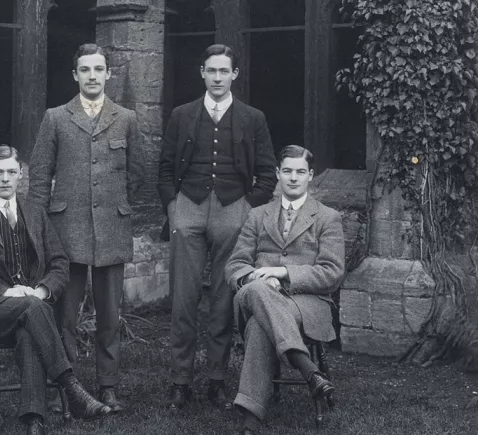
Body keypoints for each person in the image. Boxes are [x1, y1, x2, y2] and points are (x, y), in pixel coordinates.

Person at [0, 146, 111, 435]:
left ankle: (34, 421)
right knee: (32, 310)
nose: (5, 179)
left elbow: (60, 261)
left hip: (32, 308)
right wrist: (5, 292)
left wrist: (43, 291)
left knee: (30, 326)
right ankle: (71, 388)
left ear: (21, 174)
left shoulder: (34, 213)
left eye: (11, 172)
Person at [157, 44, 277, 411]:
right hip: (188, 208)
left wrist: (246, 208)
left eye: (224, 71)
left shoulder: (252, 117)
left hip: (232, 210)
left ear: (235, 75)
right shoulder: (182, 114)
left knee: (224, 301)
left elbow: (268, 173)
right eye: (212, 71)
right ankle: (180, 381)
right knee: (183, 299)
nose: (218, 78)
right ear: (202, 73)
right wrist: (174, 208)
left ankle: (217, 380)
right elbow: (163, 169)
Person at [27, 43, 144, 412]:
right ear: (74, 75)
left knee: (110, 314)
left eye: (98, 69)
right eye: (85, 69)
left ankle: (108, 386)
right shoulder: (56, 117)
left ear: (109, 74)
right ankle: (69, 385)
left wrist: (116, 205)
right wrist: (39, 230)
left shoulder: (126, 118)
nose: (92, 76)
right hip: (68, 229)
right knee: (66, 314)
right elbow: (40, 177)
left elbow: (137, 174)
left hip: (112, 227)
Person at [224, 145, 345, 434]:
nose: (293, 178)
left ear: (310, 176)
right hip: (255, 291)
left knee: (258, 326)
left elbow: (332, 273)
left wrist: (284, 273)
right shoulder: (258, 215)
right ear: (278, 174)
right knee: (259, 291)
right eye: (287, 171)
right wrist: (257, 278)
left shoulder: (327, 217)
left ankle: (251, 417)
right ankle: (308, 370)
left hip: (307, 302)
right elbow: (235, 264)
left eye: (300, 172)